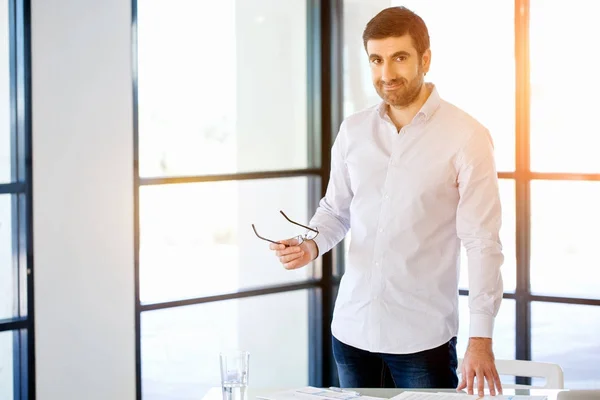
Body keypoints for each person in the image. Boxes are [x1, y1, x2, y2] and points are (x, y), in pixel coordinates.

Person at [269, 6, 504, 397]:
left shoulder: (467, 137)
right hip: (350, 331)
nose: (386, 74)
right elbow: (335, 210)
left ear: (424, 59)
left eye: (399, 58)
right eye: (376, 60)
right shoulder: (354, 130)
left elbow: (483, 243)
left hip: (421, 340)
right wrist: (310, 245)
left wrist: (481, 339)